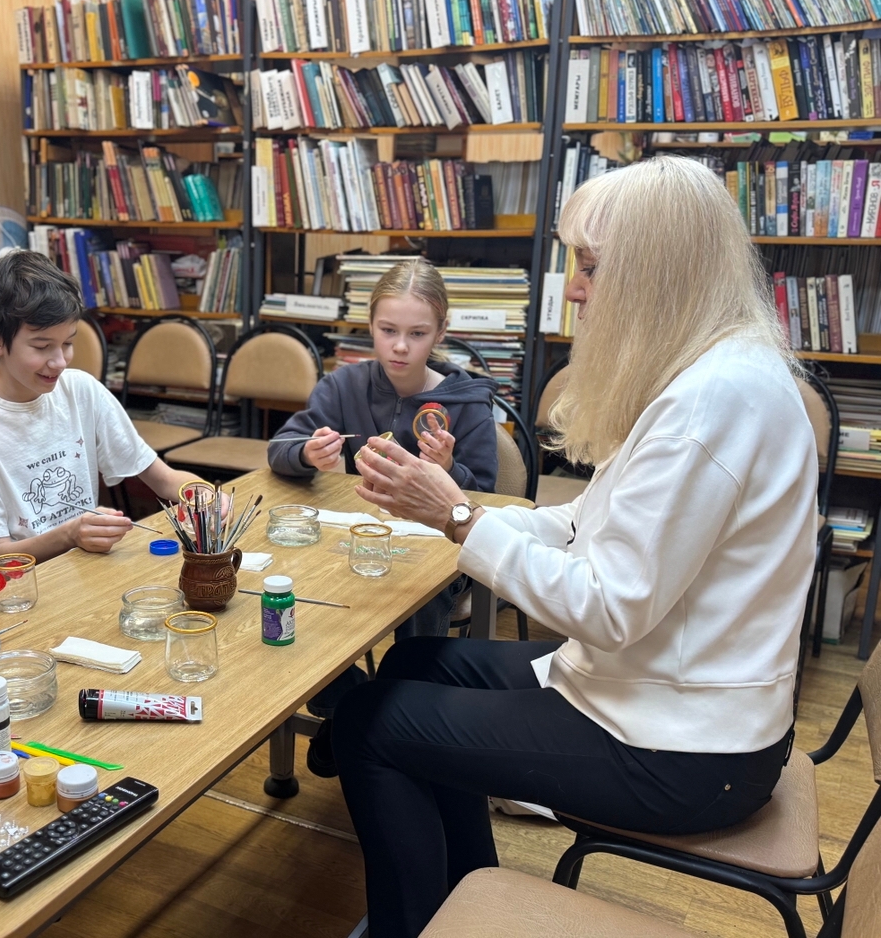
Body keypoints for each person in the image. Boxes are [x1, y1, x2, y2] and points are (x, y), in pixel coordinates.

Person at [337, 156, 817, 938]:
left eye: (590, 267)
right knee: (415, 663)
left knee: (367, 726)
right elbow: (578, 523)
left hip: (684, 753)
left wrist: (460, 521)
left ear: (656, 274)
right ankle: (460, 897)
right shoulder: (710, 374)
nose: (575, 290)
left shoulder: (711, 404)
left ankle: (414, 925)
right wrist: (455, 510)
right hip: (662, 698)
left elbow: (607, 607)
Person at [267, 258, 499, 778]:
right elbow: (280, 448)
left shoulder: (466, 401)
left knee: (420, 596)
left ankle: (404, 712)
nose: (400, 347)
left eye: (417, 334)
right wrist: (307, 453)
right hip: (353, 539)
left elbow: (488, 496)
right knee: (287, 583)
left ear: (440, 332)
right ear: (369, 325)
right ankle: (348, 707)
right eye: (388, 330)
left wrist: (450, 471)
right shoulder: (343, 386)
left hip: (437, 550)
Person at [0, 249, 205, 602]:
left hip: (71, 570)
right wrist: (70, 534)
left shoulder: (81, 390)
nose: (59, 361)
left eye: (68, 343)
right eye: (42, 346)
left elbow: (164, 478)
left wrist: (205, 497)